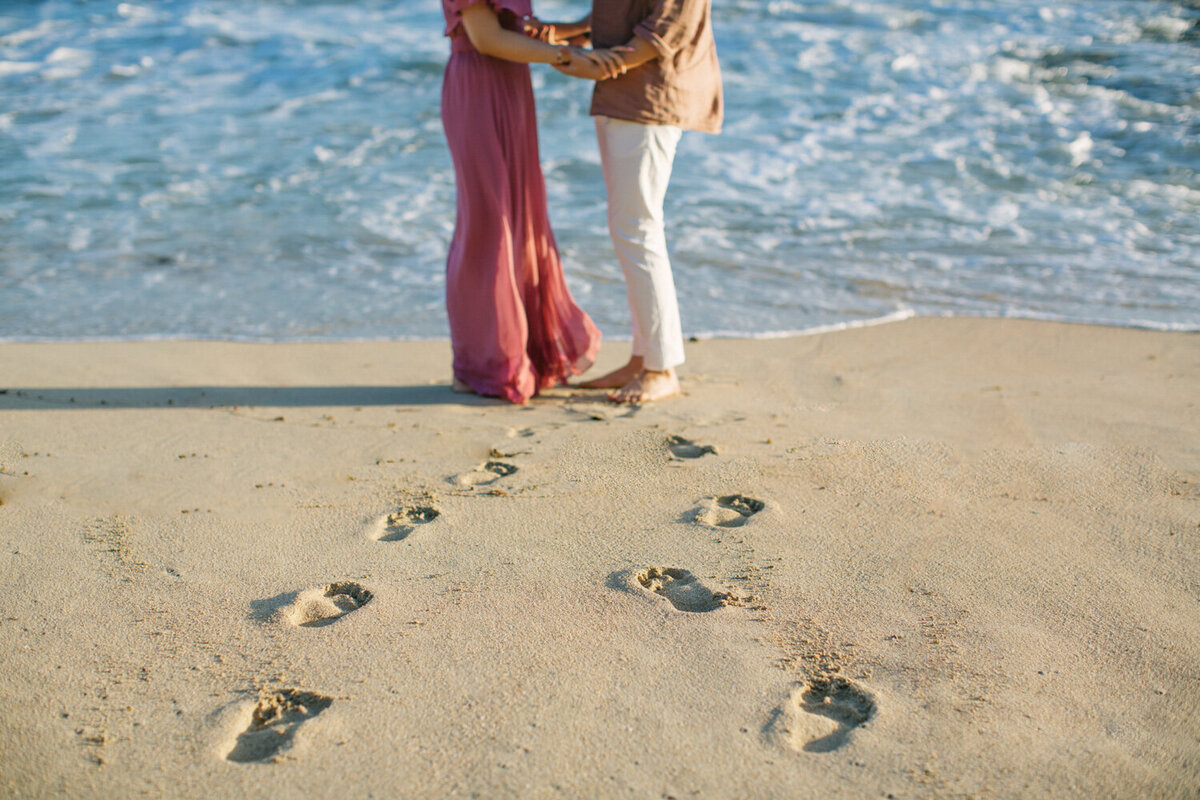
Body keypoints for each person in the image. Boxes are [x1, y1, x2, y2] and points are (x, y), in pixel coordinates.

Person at [535, 1, 723, 403]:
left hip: (649, 91)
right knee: (630, 228)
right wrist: (560, 34)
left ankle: (661, 368)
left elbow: (667, 25)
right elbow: (614, 15)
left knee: (637, 228)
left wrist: (598, 63)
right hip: (624, 91)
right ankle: (644, 357)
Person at [440, 0, 626, 403]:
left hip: (510, 86)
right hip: (478, 90)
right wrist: (566, 53)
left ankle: (520, 353)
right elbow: (486, 39)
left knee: (523, 220)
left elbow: (517, 33)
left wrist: (579, 29)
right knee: (489, 225)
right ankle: (479, 362)